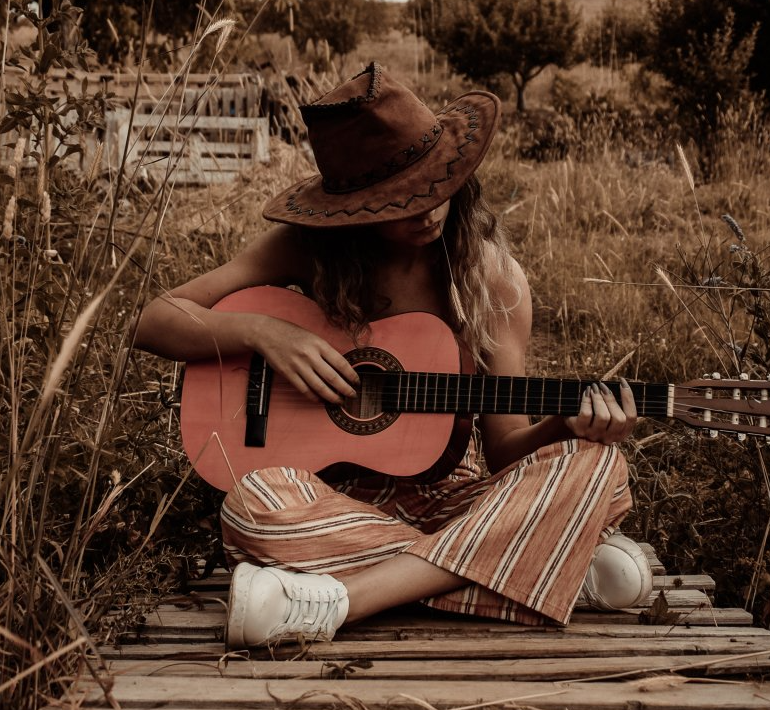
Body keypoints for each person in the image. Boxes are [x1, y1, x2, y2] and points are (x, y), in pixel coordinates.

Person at [132, 64, 653, 648]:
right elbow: (153, 320)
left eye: (436, 188)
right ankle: (543, 564)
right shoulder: (307, 250)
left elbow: (506, 450)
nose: (428, 211)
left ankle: (341, 601)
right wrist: (260, 333)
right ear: (355, 206)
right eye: (400, 201)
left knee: (598, 467)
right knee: (254, 505)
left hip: (452, 501)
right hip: (330, 502)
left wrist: (565, 425)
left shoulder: (491, 280)